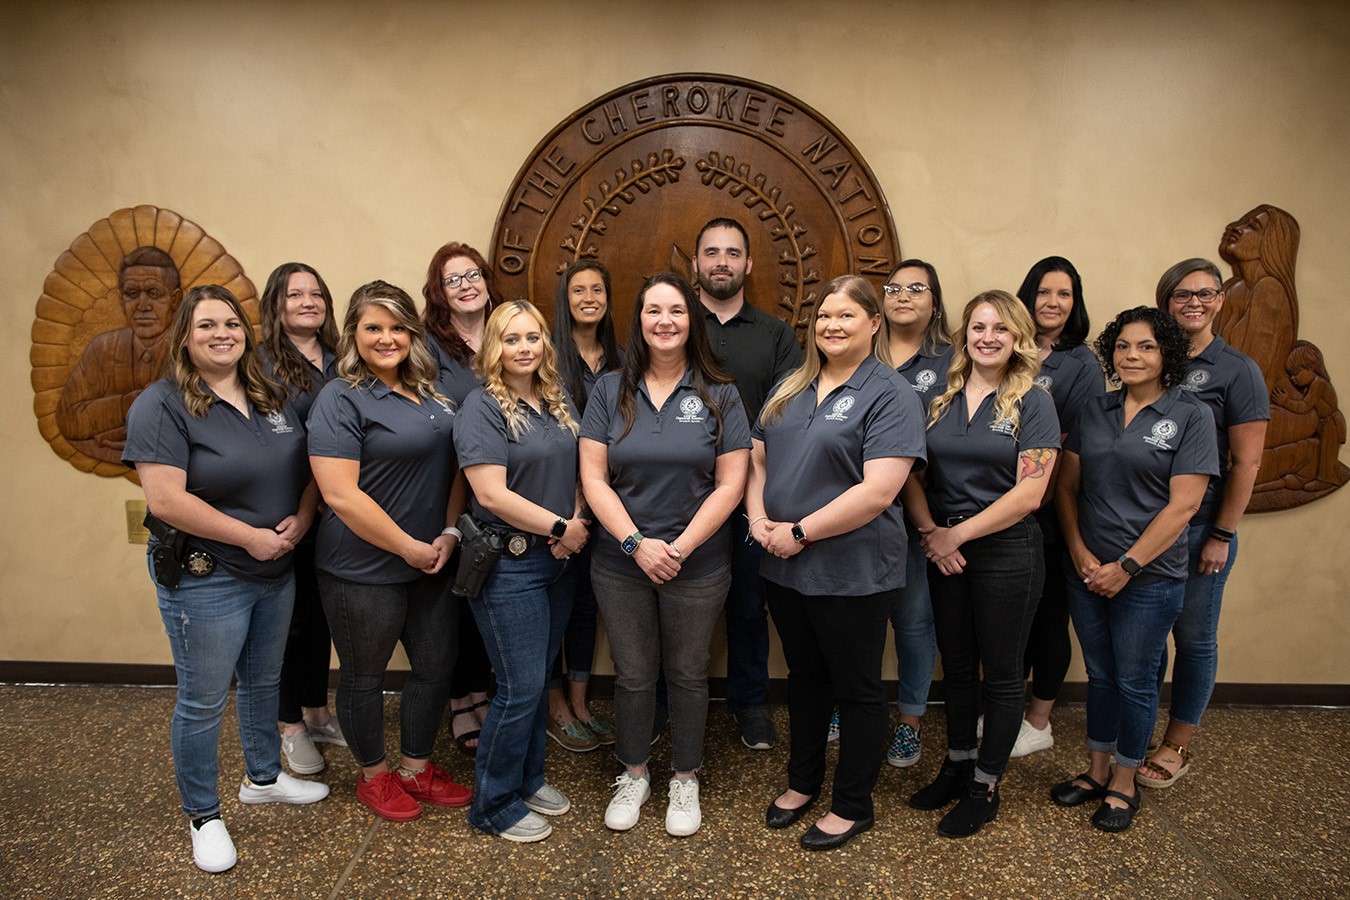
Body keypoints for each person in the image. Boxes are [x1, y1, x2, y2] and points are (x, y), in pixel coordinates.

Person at [123, 284, 328, 873]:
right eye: (207, 326)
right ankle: (203, 816)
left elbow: (309, 467)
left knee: (264, 681)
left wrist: (304, 517)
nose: (222, 335)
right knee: (203, 700)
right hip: (206, 576)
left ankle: (263, 778)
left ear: (246, 332)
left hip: (276, 567)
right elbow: (166, 500)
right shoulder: (161, 404)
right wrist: (249, 537)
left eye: (232, 324)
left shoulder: (269, 393)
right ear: (185, 337)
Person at [749, 275, 925, 851]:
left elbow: (878, 492)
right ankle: (802, 783)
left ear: (874, 323)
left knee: (857, 689)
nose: (831, 325)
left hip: (853, 569)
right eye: (824, 316)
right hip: (784, 565)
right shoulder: (792, 385)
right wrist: (759, 520)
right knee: (805, 679)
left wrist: (800, 532)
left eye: (846, 315)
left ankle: (852, 805)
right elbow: (757, 459)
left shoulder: (891, 393)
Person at [580, 272, 750, 837]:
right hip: (619, 563)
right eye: (653, 310)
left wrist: (677, 548)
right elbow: (593, 479)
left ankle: (684, 776)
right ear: (639, 320)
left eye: (676, 310)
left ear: (691, 320)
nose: (665, 321)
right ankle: (634, 773)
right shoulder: (609, 389)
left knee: (687, 672)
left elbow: (731, 484)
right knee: (632, 673)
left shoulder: (721, 393)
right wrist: (635, 544)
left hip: (696, 564)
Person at [308, 281, 471, 822]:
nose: (387, 338)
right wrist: (407, 548)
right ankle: (374, 776)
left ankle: (415, 768)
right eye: (373, 327)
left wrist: (448, 533)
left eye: (398, 327)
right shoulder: (340, 397)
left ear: (413, 333)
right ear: (353, 334)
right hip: (361, 567)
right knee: (365, 676)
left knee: (435, 666)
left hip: (432, 560)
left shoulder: (431, 394)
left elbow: (455, 470)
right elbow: (339, 494)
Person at [1051, 306, 1217, 832]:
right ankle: (1097, 771)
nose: (1131, 355)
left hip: (1150, 578)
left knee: (1136, 680)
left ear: (1167, 353)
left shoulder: (1191, 415)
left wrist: (1126, 565)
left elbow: (1184, 507)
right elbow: (1066, 489)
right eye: (1122, 346)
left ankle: (1124, 782)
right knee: (1100, 675)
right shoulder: (1094, 410)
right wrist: (1079, 552)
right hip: (1087, 571)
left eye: (1146, 346)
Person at [902, 290, 1060, 839]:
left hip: (1007, 551)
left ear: (1017, 338)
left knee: (1002, 670)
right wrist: (931, 532)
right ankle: (957, 764)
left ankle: (986, 784)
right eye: (978, 327)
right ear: (964, 335)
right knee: (957, 666)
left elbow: (1030, 494)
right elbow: (910, 475)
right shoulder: (938, 398)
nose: (988, 337)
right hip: (944, 548)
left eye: (1000, 329)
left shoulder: (1033, 401)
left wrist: (955, 536)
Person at [454, 300, 590, 842]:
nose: (524, 348)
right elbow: (490, 493)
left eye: (532, 337)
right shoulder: (482, 406)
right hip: (509, 567)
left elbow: (580, 470)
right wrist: (561, 527)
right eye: (511, 339)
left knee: (537, 681)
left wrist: (572, 523)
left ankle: (528, 780)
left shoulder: (556, 398)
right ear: (494, 347)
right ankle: (492, 804)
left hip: (558, 560)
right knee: (519, 686)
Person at [1139, 259, 1269, 789]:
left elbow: (1247, 463)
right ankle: (1140, 730)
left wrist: (1221, 534)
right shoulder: (1149, 358)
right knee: (1147, 638)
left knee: (1193, 638)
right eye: (1182, 294)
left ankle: (1177, 743)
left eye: (1205, 293)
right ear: (1165, 301)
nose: (1194, 302)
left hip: (1199, 530)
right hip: (1145, 526)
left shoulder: (1237, 369)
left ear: (1220, 300)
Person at [693, 216, 801, 751]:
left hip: (753, 490)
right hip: (681, 491)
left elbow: (787, 411)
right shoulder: (672, 322)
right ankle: (664, 703)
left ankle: (750, 704)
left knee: (747, 603)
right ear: (696, 263)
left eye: (732, 253)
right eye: (712, 252)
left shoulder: (776, 335)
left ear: (748, 264)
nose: (722, 262)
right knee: (672, 598)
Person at [1006, 256, 1105, 758]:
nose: (1053, 302)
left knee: (1047, 617)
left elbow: (1070, 446)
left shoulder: (1081, 363)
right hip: (1003, 505)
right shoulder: (1009, 347)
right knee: (1013, 618)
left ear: (1075, 302)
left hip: (1045, 507)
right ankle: (1009, 710)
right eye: (1044, 291)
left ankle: (1039, 720)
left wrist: (1028, 502)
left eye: (1064, 294)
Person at [258, 262, 347, 775]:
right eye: (295, 294)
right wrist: (302, 510)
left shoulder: (341, 357)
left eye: (316, 293)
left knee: (318, 619)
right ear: (276, 304)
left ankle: (316, 712)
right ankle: (289, 726)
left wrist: (317, 508)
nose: (308, 302)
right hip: (282, 515)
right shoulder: (260, 364)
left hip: (331, 514)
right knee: (286, 626)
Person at [876, 258, 952, 768]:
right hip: (858, 512)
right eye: (893, 288)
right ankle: (848, 703)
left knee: (914, 620)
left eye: (916, 288)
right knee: (856, 620)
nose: (903, 296)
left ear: (935, 301)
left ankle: (910, 720)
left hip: (924, 513)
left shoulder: (952, 361)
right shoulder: (859, 349)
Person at [545, 260, 623, 753]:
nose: (589, 297)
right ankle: (555, 705)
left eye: (598, 289)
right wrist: (571, 513)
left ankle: (580, 702)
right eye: (579, 290)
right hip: (556, 505)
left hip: (607, 504)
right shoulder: (548, 357)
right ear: (565, 298)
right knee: (556, 604)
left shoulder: (623, 359)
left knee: (586, 606)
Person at [422, 241, 495, 754]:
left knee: (486, 594)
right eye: (453, 279)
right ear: (439, 292)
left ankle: (482, 690)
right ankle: (460, 698)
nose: (466, 285)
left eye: (473, 275)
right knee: (450, 600)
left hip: (499, 488)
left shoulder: (509, 330)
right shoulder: (427, 346)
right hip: (443, 485)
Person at [58, 246, 185, 462]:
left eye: (154, 293)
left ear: (175, 300)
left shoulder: (189, 350)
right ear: (121, 299)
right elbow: (69, 419)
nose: (142, 306)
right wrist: (132, 402)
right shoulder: (102, 348)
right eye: (132, 294)